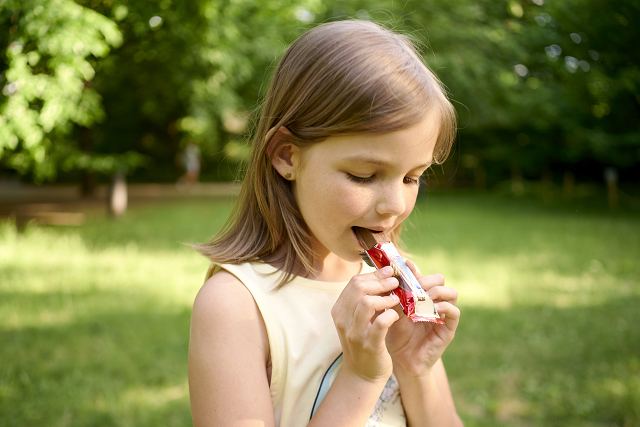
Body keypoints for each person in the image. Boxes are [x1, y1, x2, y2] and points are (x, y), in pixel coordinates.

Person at [188, 20, 462, 426]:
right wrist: (360, 378)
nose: (394, 204)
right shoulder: (236, 307)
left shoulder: (391, 290)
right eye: (364, 175)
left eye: (412, 177)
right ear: (286, 156)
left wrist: (415, 366)